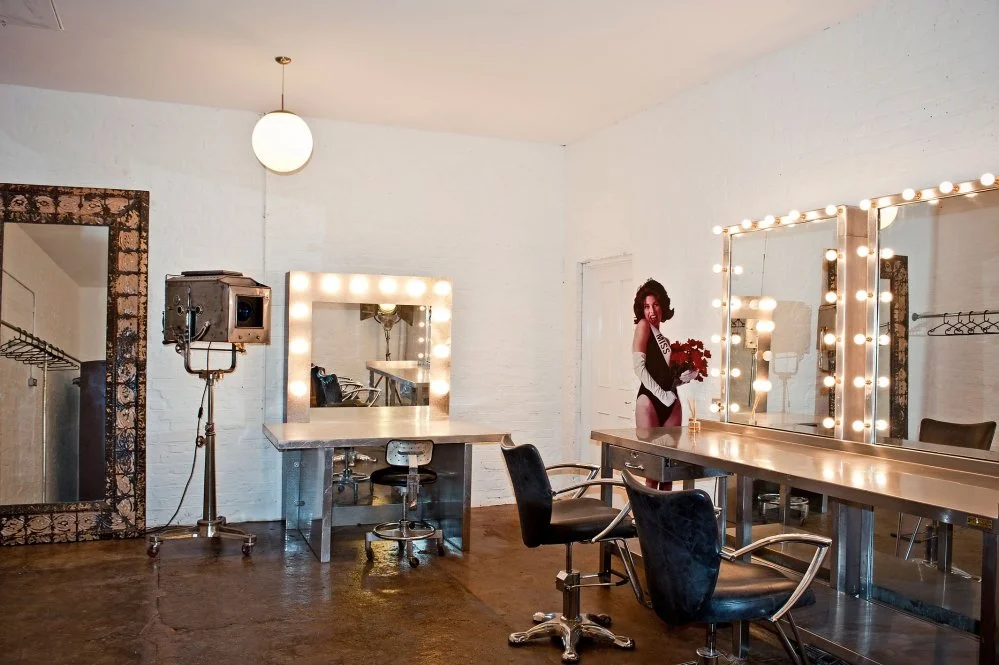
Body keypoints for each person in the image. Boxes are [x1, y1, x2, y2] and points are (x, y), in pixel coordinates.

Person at [631, 279, 697, 489]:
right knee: (652, 471)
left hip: (671, 403)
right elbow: (639, 369)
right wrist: (662, 395)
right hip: (649, 401)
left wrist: (685, 376)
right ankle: (647, 520)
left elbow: (667, 376)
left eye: (656, 305)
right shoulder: (643, 327)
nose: (651, 311)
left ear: (663, 306)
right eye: (646, 306)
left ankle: (665, 520)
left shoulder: (666, 341)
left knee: (668, 472)